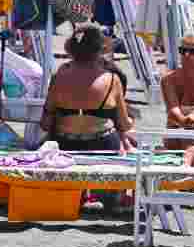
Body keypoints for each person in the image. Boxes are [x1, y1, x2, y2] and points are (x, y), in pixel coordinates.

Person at [40, 23, 136, 152]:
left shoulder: (59, 77)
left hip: (65, 144)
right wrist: (131, 119)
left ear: (71, 49)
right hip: (103, 145)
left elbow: (45, 124)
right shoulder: (112, 80)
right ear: (100, 49)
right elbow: (125, 124)